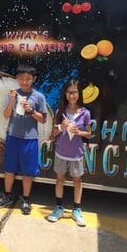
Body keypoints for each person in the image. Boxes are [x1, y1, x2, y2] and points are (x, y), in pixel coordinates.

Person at [0, 65, 47, 215]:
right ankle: (7, 195)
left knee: (28, 172)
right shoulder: (12, 94)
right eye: (22, 78)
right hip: (12, 137)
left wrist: (30, 110)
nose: (24, 82)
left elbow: (43, 119)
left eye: (28, 79)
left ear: (34, 79)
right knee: (9, 169)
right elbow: (6, 115)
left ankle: (26, 199)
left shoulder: (39, 97)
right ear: (17, 79)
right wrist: (11, 100)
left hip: (30, 138)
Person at [47, 79, 91, 227]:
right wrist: (60, 127)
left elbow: (89, 133)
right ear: (65, 94)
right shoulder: (60, 112)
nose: (72, 95)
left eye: (75, 92)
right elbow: (53, 134)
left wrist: (79, 132)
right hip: (61, 152)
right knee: (60, 179)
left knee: (77, 180)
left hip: (77, 153)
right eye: (69, 92)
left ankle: (76, 210)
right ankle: (59, 208)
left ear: (79, 94)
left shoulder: (85, 113)